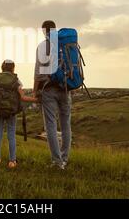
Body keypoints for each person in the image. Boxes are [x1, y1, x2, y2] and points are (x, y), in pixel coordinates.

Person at [33, 20, 72, 169]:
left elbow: (37, 72)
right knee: (66, 124)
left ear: (44, 31)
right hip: (66, 88)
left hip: (48, 89)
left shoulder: (43, 46)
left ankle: (57, 162)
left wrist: (35, 90)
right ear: (55, 29)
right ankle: (65, 158)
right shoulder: (65, 43)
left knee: (50, 124)